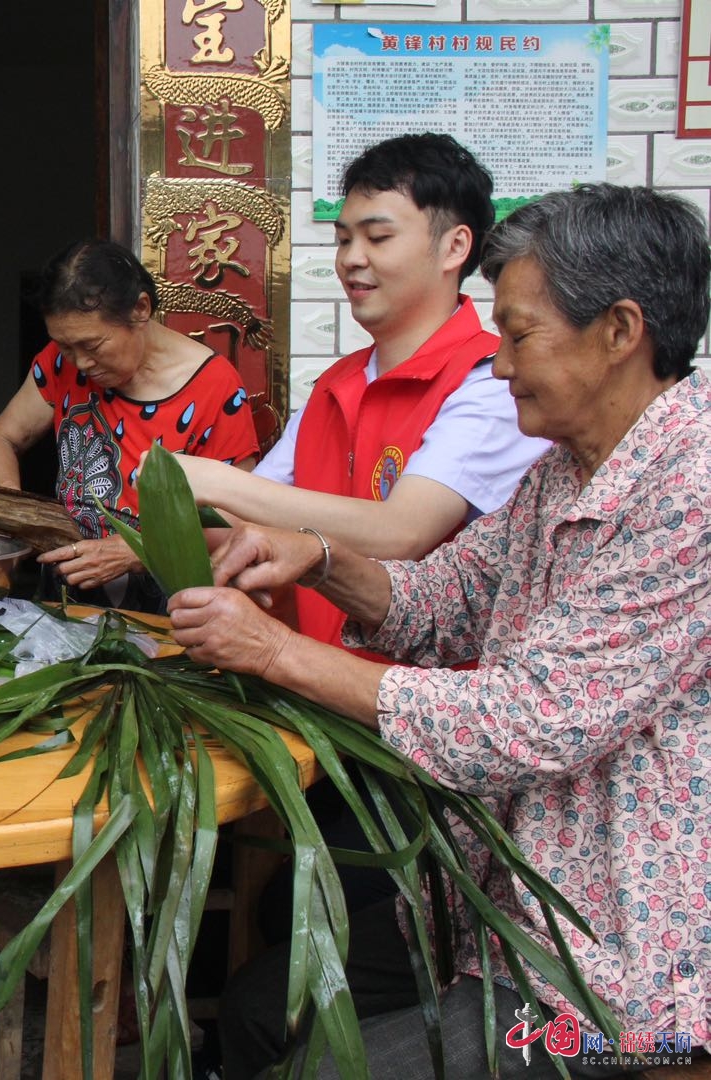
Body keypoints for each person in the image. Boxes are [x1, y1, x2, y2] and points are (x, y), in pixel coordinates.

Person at [168, 184, 711, 1077]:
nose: (499, 367)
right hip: (495, 910)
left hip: (614, 983)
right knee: (261, 1015)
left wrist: (272, 650)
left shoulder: (686, 489)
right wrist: (316, 556)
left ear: (621, 331)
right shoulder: (565, 472)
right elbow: (447, 597)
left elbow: (527, 722)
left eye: (521, 335)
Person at [174, 133, 549, 640]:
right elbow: (251, 514)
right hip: (317, 685)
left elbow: (402, 531)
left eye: (378, 237)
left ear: (455, 247)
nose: (351, 258)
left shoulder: (490, 380)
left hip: (422, 706)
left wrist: (217, 482)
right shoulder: (336, 382)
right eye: (344, 238)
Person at [0, 237, 259, 612]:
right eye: (65, 346)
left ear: (141, 309)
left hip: (168, 600)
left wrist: (133, 551)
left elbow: (237, 517)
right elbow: (0, 437)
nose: (79, 363)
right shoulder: (58, 364)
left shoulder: (213, 385)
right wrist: (17, 511)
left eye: (92, 346)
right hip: (67, 589)